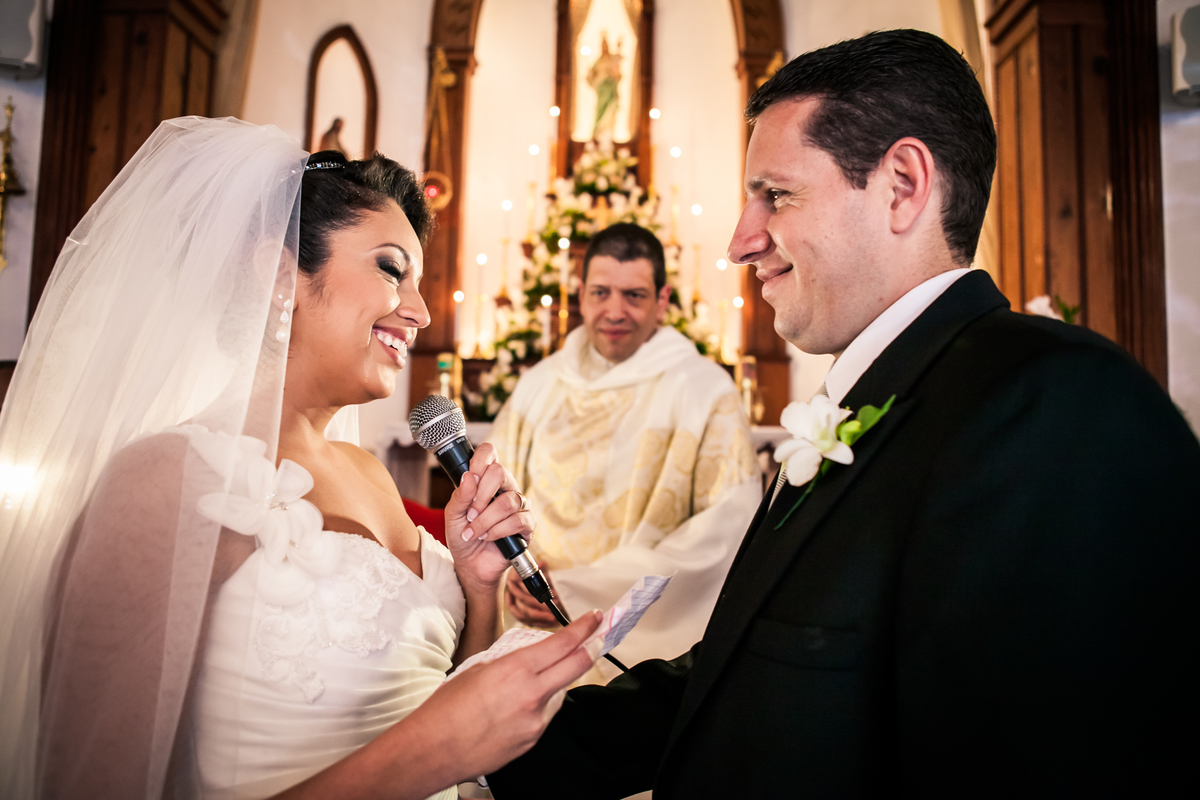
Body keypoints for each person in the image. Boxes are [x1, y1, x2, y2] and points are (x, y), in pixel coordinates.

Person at [487, 30, 1200, 798]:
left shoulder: (1054, 406)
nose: (739, 242)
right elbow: (748, 677)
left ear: (901, 186)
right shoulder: (875, 395)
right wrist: (481, 751)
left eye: (777, 194)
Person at [0, 117, 604, 800]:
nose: (420, 312)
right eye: (391, 270)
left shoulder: (368, 473)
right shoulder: (164, 481)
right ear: (281, 276)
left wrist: (478, 586)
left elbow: (447, 710)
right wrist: (430, 753)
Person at [488, 222, 760, 683]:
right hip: (525, 622)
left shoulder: (704, 391)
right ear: (580, 295)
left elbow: (725, 532)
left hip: (637, 644)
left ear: (662, 300)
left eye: (634, 295)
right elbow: (493, 498)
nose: (615, 311)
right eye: (601, 293)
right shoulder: (539, 385)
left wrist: (575, 593)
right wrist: (513, 576)